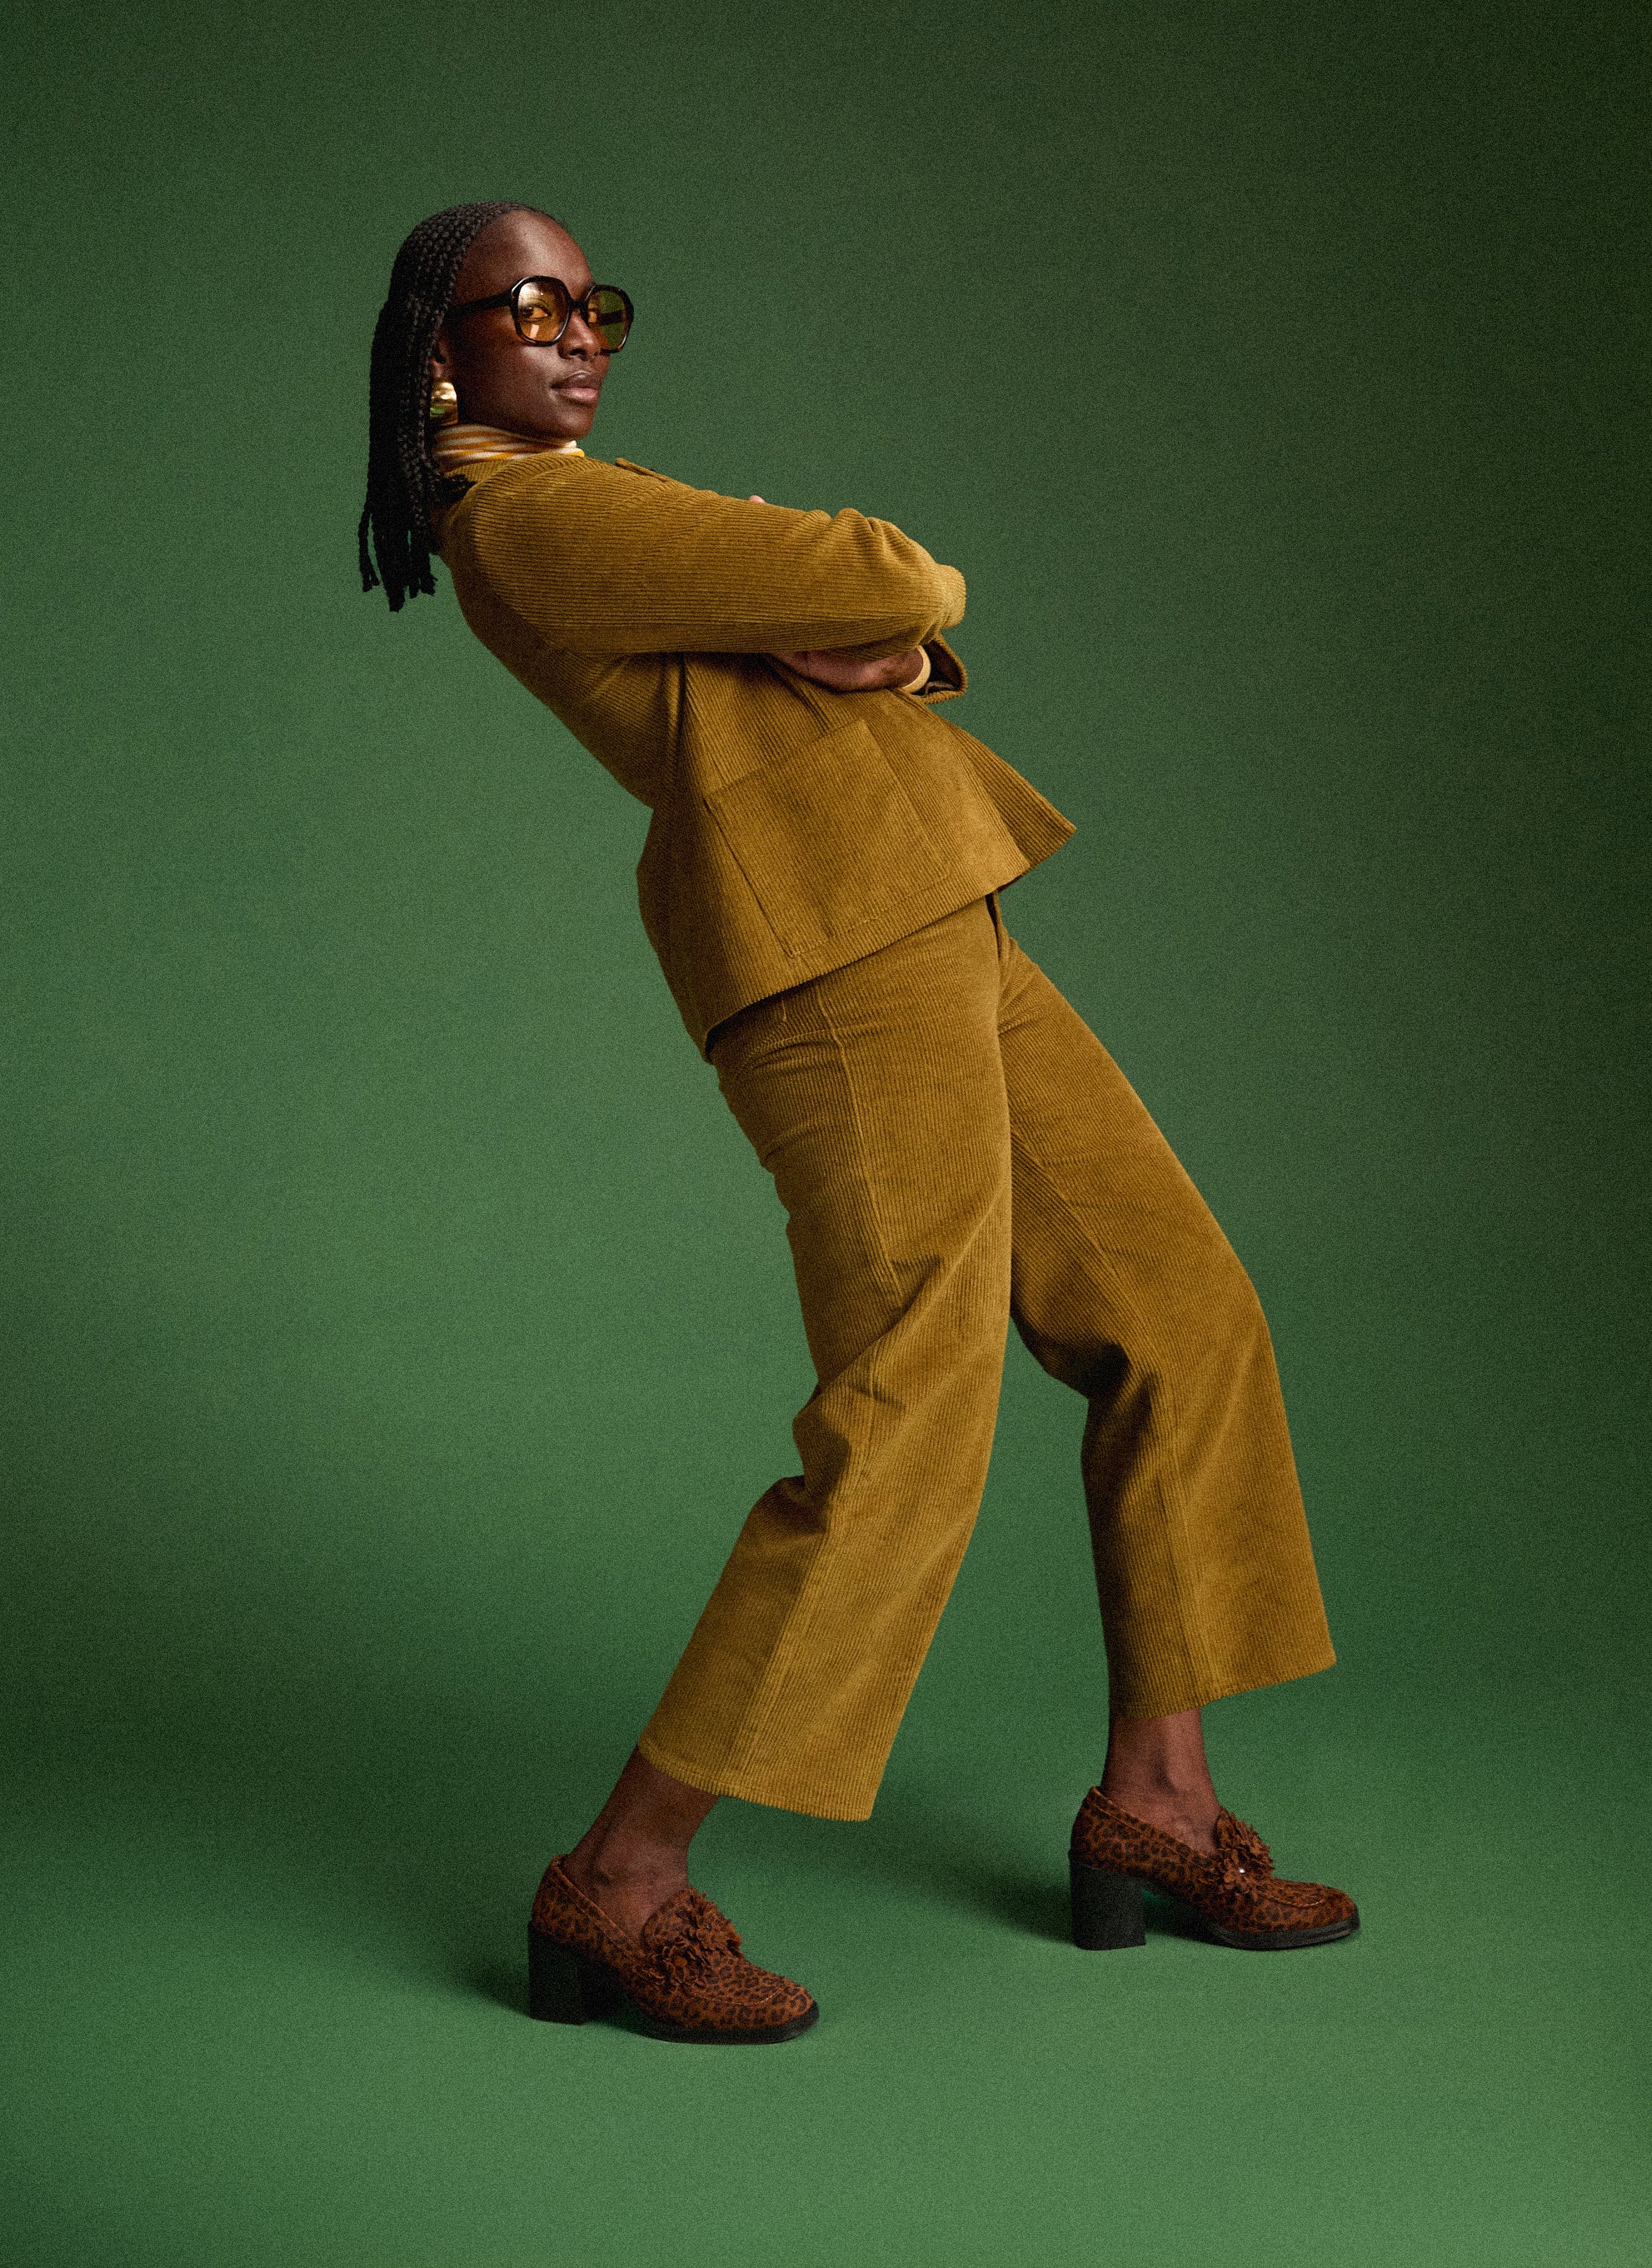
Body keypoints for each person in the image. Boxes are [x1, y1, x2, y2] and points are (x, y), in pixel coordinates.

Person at [358, 199, 1358, 2046]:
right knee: (910, 1409)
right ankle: (619, 1882)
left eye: (594, 308)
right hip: (831, 958)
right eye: (529, 308)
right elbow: (884, 571)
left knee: (1181, 1309)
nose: (576, 338)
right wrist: (871, 618)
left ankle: (1160, 1805)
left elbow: (849, 628)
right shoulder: (536, 517)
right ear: (441, 348)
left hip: (926, 904)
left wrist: (860, 645)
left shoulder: (592, 507)